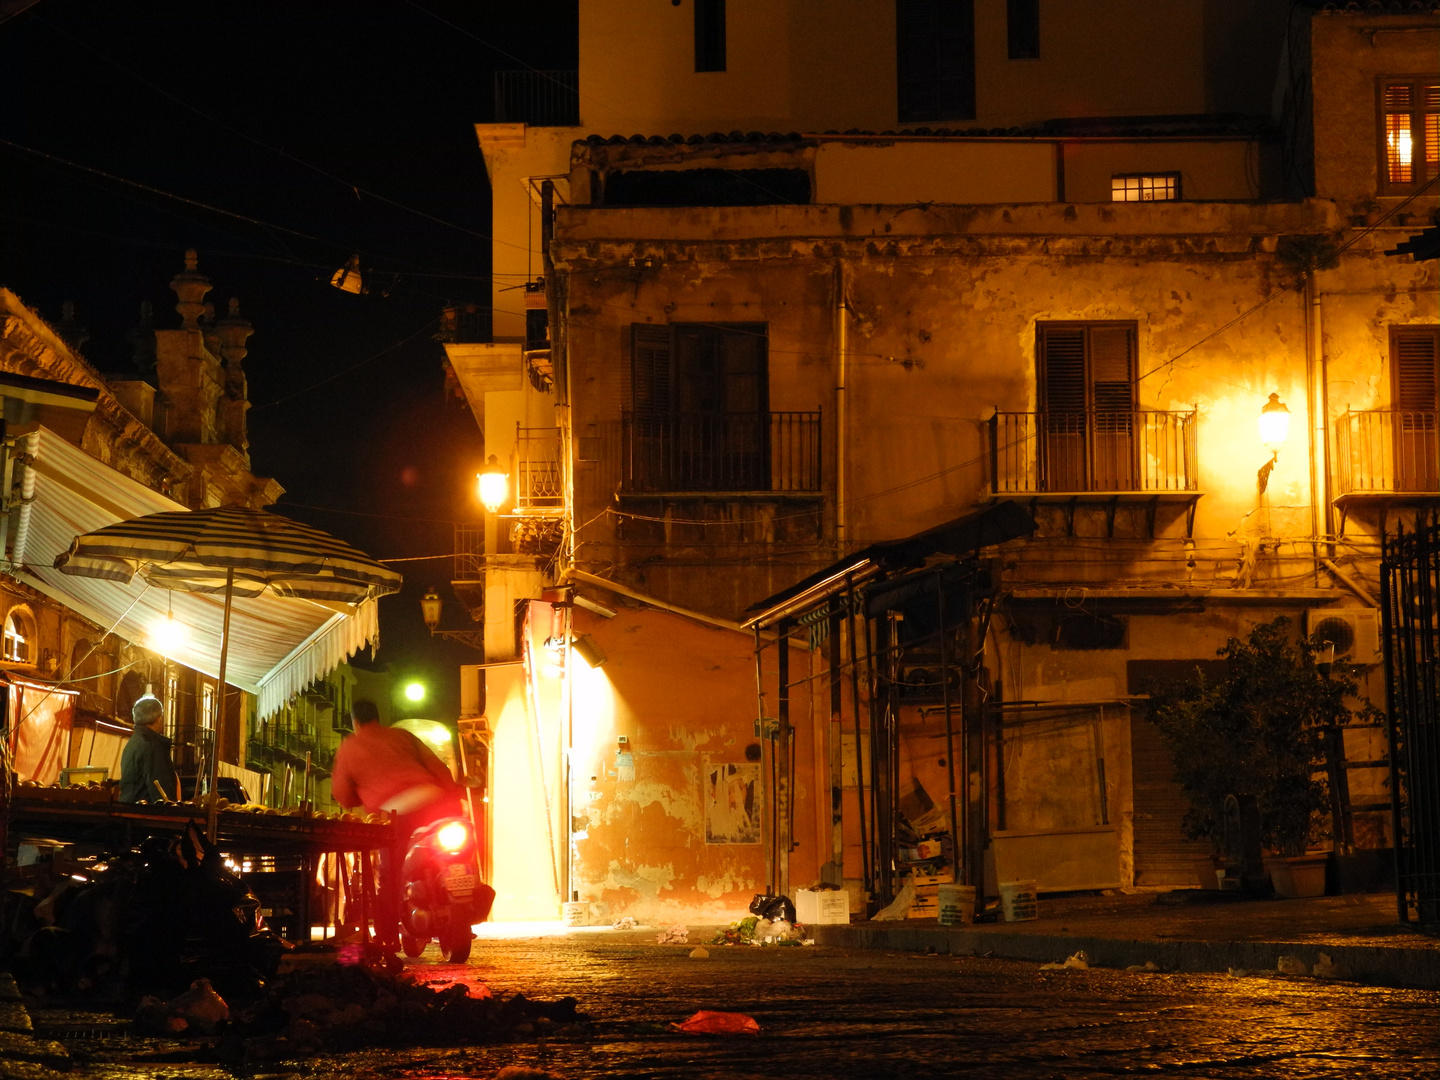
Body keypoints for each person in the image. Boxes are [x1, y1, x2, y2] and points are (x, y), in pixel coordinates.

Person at [330, 699, 465, 944]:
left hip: (396, 815)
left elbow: (343, 795)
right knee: (444, 855)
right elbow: (437, 766)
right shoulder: (402, 736)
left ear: (355, 722)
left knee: (390, 877)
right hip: (433, 801)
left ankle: (388, 938)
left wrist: (361, 795)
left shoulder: (350, 746)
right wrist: (454, 796)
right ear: (378, 717)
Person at [118, 693, 178, 803]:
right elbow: (161, 789)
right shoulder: (152, 745)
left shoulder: (133, 742)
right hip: (146, 813)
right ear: (159, 718)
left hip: (129, 807)